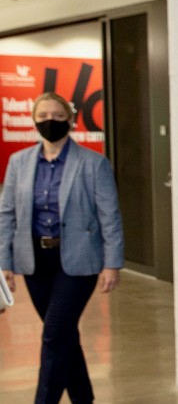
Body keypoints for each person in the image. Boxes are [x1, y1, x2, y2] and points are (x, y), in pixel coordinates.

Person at [0, 92, 124, 404]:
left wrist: (112, 263)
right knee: (64, 334)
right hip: (34, 260)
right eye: (43, 117)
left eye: (57, 116)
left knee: (54, 334)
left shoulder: (93, 163)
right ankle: (83, 397)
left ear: (70, 119)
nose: (50, 122)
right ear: (34, 120)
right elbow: (6, 214)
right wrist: (4, 263)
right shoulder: (19, 162)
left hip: (79, 261)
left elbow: (110, 215)